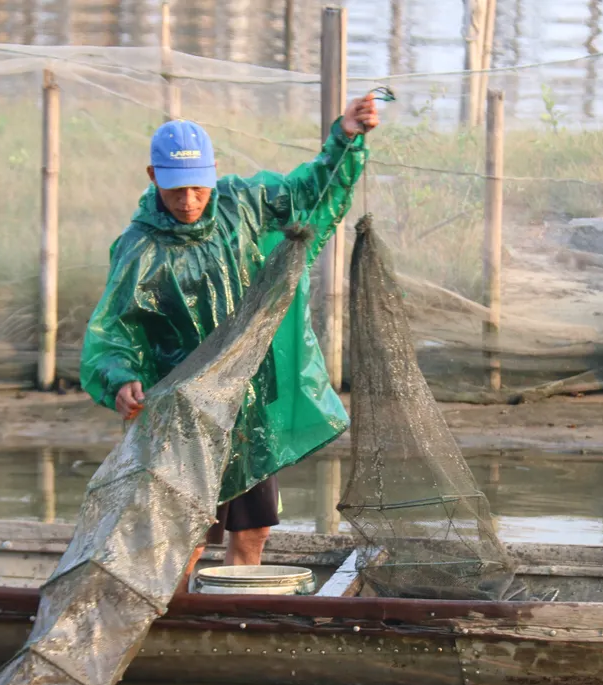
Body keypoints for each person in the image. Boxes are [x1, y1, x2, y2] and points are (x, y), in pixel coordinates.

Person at [80, 95, 380, 591]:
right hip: (184, 416)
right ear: (153, 177)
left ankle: (241, 614)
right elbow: (114, 329)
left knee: (253, 526)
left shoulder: (242, 203)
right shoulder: (140, 248)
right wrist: (119, 376)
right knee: (185, 530)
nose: (190, 200)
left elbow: (311, 189)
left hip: (248, 403)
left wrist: (345, 139)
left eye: (199, 186)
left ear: (213, 173)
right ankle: (171, 616)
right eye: (177, 189)